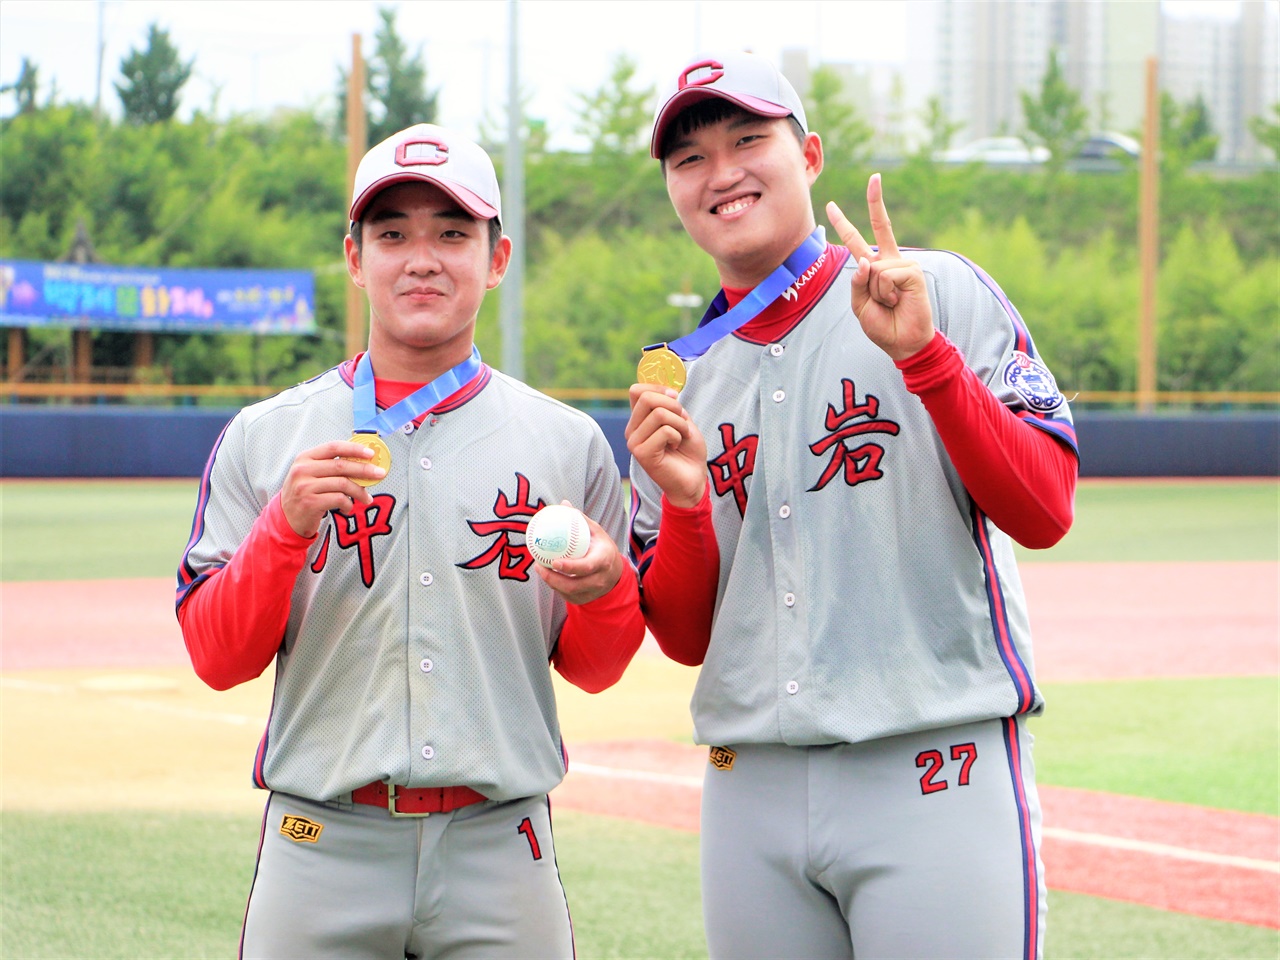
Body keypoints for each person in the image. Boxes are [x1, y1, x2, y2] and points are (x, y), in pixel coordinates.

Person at [626, 51, 1078, 960]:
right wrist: (681, 507)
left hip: (930, 769)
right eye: (690, 159)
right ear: (673, 187)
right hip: (746, 788)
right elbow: (683, 639)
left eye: (749, 139)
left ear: (812, 154)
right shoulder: (677, 380)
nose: (721, 173)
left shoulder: (931, 290)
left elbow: (1045, 507)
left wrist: (927, 361)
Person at [176, 123, 644, 958]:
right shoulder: (265, 435)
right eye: (392, 234)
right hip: (320, 845)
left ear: (497, 259)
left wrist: (607, 589)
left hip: (500, 850)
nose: (421, 258)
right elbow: (217, 659)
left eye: (452, 234)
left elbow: (598, 668)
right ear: (355, 258)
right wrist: (283, 529)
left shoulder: (566, 443)